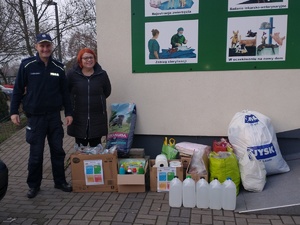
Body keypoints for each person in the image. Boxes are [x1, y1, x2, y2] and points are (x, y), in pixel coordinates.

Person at [10, 33, 73, 198]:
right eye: (42, 46)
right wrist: (14, 111)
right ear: (36, 47)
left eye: (48, 46)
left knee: (58, 151)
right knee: (36, 155)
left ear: (51, 47)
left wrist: (69, 113)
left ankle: (60, 181)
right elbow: (17, 90)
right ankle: (33, 185)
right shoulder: (27, 65)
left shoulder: (59, 67)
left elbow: (65, 93)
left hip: (53, 117)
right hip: (35, 118)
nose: (45, 49)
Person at [66, 48, 111, 147]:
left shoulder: (102, 74)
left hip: (97, 117)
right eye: (85, 58)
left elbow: (107, 92)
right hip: (79, 117)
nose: (89, 60)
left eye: (91, 57)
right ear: (80, 60)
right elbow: (66, 92)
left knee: (96, 148)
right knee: (80, 149)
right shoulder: (72, 74)